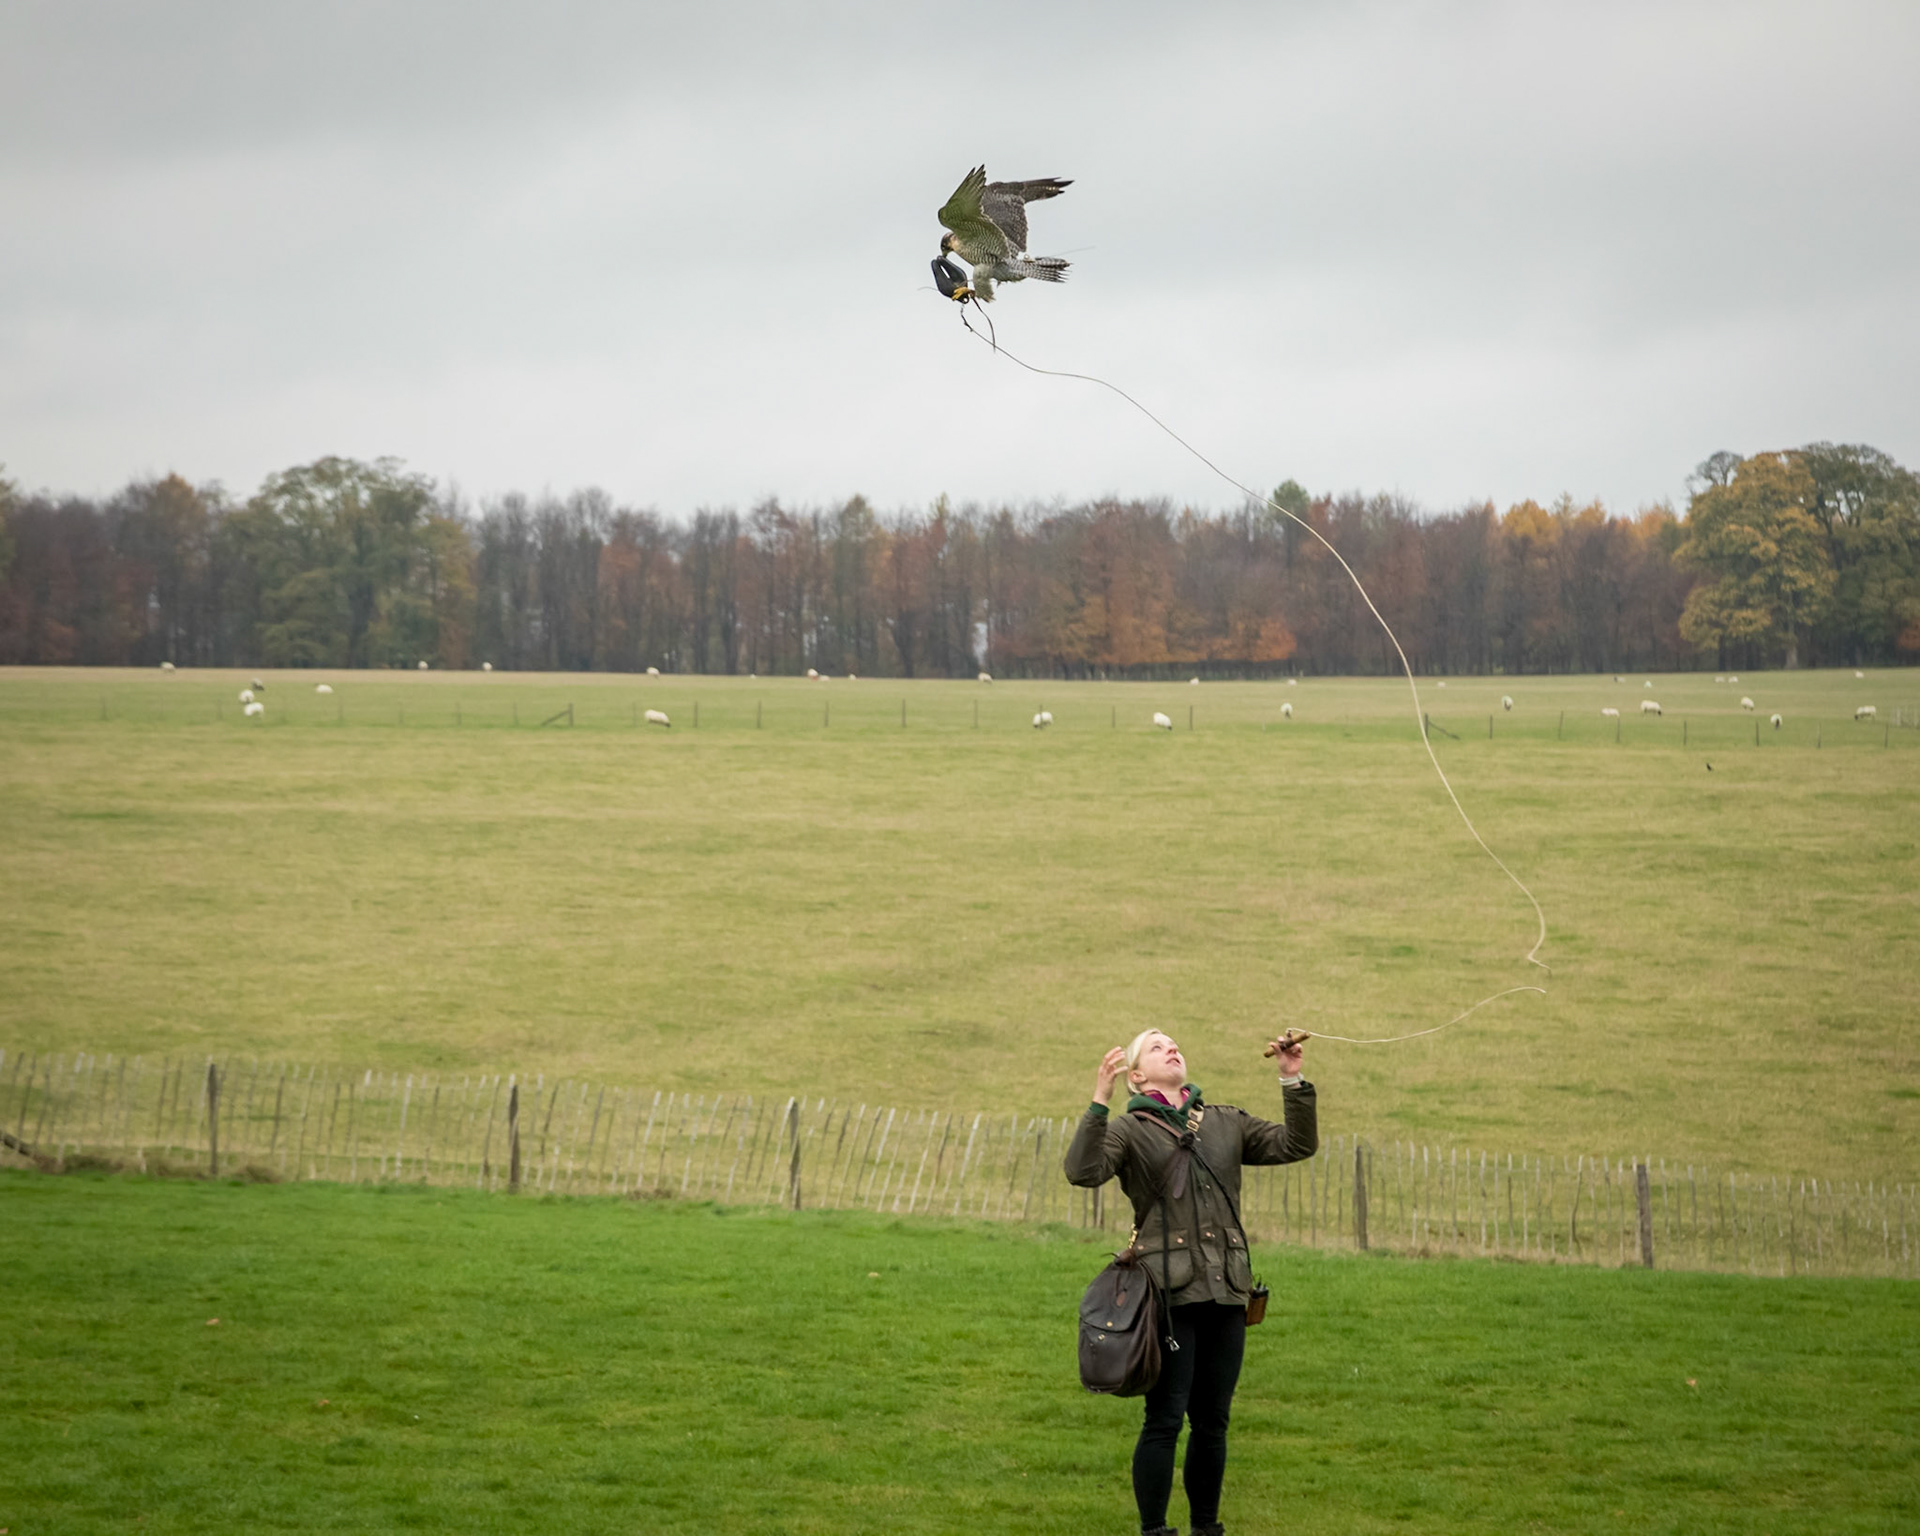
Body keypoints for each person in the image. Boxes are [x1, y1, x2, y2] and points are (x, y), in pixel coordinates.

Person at [1064, 1028, 1317, 1536]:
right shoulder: (1129, 1129)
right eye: (1156, 1047)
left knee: (1213, 1422)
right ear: (1137, 1075)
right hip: (1167, 1295)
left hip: (1227, 1290)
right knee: (1164, 1419)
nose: (1171, 1048)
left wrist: (1291, 1078)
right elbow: (1083, 1171)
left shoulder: (1224, 1121)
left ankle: (1206, 1529)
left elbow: (1297, 1144)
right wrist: (1099, 1103)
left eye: (1174, 1043)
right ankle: (1155, 1531)